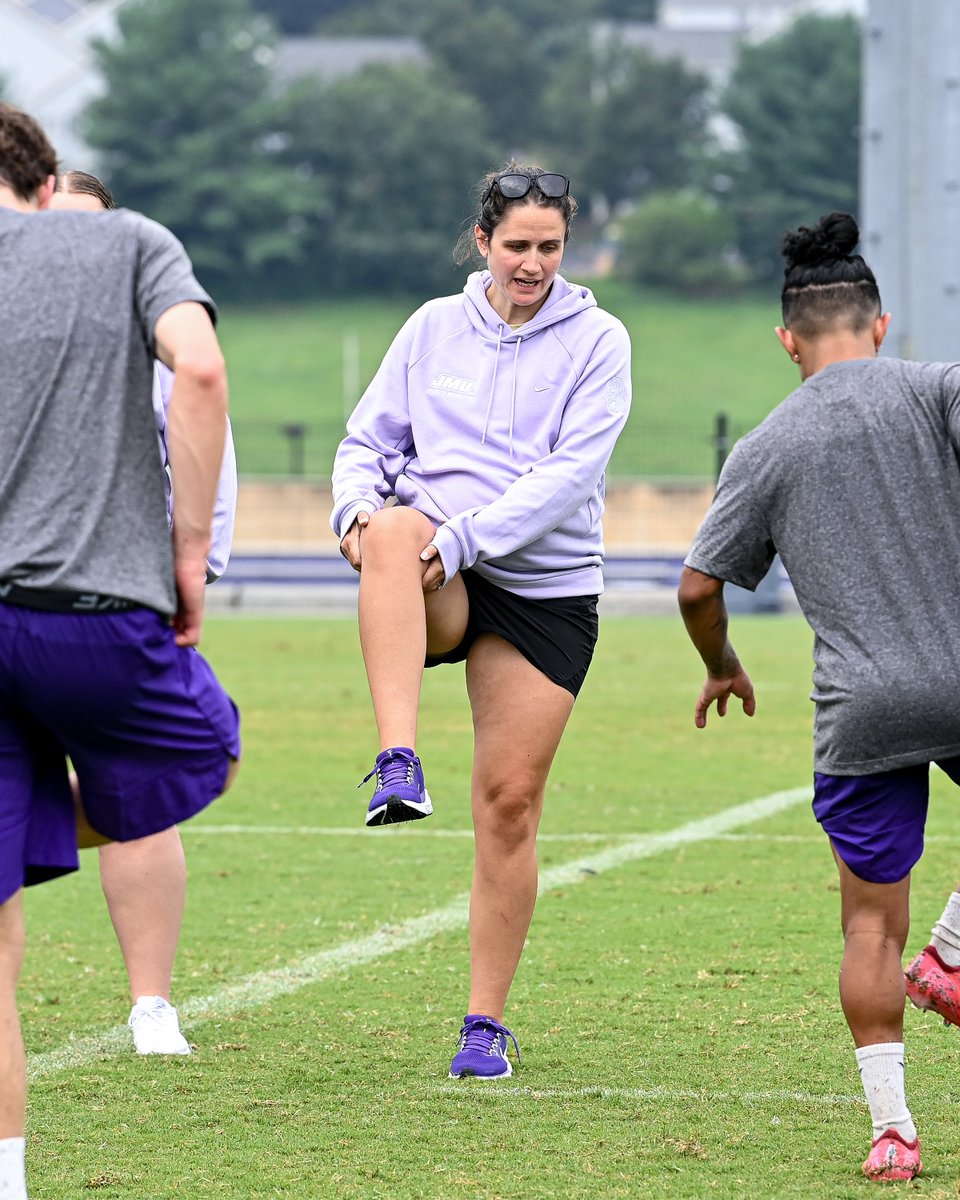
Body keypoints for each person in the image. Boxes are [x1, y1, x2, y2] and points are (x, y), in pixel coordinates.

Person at [677, 210, 960, 1183]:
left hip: (861, 706)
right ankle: (951, 955)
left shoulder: (766, 446)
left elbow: (698, 587)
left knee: (868, 926)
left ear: (787, 341)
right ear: (880, 326)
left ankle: (893, 1131)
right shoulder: (936, 390)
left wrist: (722, 663)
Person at [331, 162, 631, 1078]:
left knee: (508, 804)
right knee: (389, 527)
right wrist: (352, 512)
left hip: (542, 588)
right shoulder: (431, 327)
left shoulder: (600, 340)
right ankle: (397, 758)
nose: (532, 263)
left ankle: (483, 1026)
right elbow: (368, 441)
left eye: (550, 246)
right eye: (516, 245)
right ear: (482, 242)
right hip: (438, 572)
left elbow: (568, 479)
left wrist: (464, 540)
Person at [0, 103, 240, 1200]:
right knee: (202, 751)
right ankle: (39, 826)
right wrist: (189, 551)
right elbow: (201, 374)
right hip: (90, 610)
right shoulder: (128, 240)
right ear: (49, 186)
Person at [50, 169, 238, 1056]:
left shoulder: (162, 346)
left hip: (125, 607)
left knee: (145, 783)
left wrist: (186, 574)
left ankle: (150, 1004)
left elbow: (209, 462)